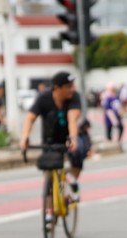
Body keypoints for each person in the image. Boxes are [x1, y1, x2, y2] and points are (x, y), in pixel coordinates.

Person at [19, 71, 87, 201]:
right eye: (68, 87)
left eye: (72, 86)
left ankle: (72, 181)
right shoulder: (44, 98)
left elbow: (72, 119)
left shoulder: (74, 97)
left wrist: (73, 138)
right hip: (50, 139)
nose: (72, 89)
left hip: (69, 137)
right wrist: (24, 137)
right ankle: (49, 210)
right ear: (57, 88)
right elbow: (30, 118)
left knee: (78, 153)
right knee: (49, 176)